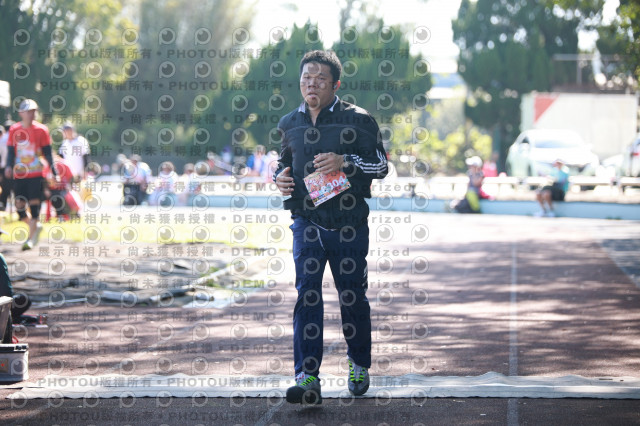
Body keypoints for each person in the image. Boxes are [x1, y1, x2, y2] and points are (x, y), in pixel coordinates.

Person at [273, 50, 388, 404]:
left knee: (351, 296)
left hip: (348, 225)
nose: (312, 84)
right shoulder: (289, 123)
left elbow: (381, 166)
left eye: (320, 79)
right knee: (307, 293)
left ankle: (358, 363)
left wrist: (345, 161)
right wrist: (279, 177)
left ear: (335, 85)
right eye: (306, 78)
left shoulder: (359, 119)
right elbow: (283, 162)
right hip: (306, 221)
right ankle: (307, 377)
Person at [5, 99, 57, 250]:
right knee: (19, 207)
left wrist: (53, 172)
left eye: (34, 111)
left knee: (34, 206)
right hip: (20, 173)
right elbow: (11, 151)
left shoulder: (42, 130)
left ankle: (29, 239)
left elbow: (48, 153)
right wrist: (8, 166)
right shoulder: (14, 129)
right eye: (28, 111)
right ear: (21, 113)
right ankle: (35, 227)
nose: (31, 114)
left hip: (36, 173)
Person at [0, 121, 15, 211]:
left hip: (4, 167)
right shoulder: (16, 137)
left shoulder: (2, 139)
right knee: (16, 189)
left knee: (5, 190)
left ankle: (3, 208)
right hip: (17, 167)